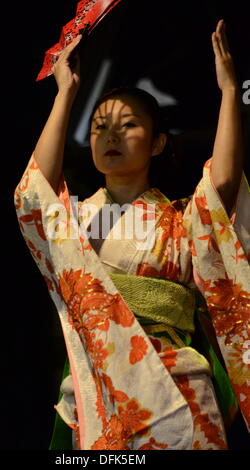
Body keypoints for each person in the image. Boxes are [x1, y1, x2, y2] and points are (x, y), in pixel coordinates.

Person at [14, 20, 250, 450]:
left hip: (176, 391)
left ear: (157, 144)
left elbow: (225, 182)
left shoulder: (181, 219)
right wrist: (66, 92)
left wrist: (231, 91)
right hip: (97, 390)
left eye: (128, 125)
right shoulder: (78, 220)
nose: (111, 135)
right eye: (100, 126)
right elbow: (36, 195)